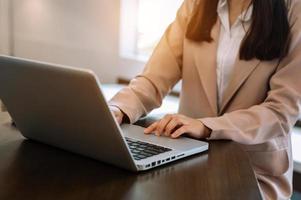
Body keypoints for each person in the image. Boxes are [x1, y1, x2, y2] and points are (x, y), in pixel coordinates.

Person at [109, 0, 301, 199]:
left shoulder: (294, 9)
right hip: (189, 162)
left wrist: (207, 126)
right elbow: (153, 79)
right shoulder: (195, 5)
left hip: (254, 170)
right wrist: (117, 109)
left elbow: (281, 112)